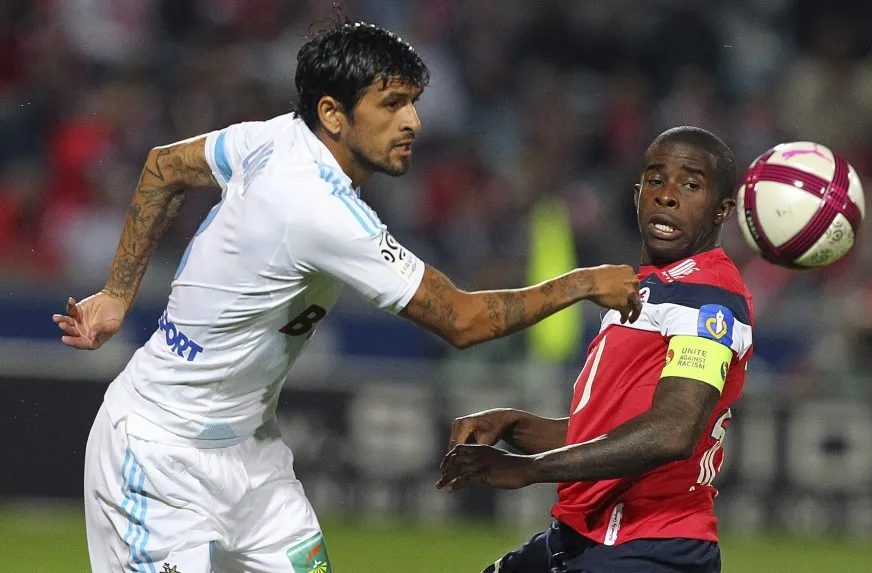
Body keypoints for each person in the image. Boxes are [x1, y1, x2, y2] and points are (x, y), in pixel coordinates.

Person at [51, 20, 642, 573]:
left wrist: (117, 294)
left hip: (253, 458)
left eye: (413, 102)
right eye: (392, 104)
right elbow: (462, 320)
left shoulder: (274, 137)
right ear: (332, 114)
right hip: (157, 455)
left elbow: (164, 166)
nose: (413, 121)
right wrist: (582, 283)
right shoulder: (317, 208)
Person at [438, 126, 754, 573]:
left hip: (648, 547)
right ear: (637, 195)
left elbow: (673, 430)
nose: (667, 195)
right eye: (656, 179)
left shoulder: (708, 297)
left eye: (690, 185)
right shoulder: (642, 289)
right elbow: (608, 433)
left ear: (722, 210)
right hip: (585, 536)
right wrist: (516, 425)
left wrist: (531, 469)